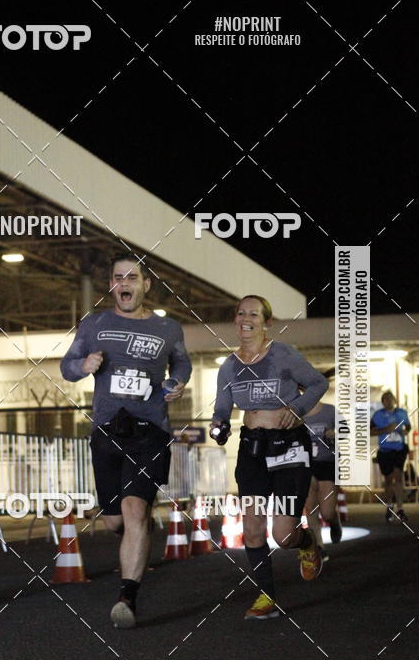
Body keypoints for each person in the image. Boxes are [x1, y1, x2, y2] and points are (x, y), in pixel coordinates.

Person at [60, 254, 192, 628]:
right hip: (107, 431)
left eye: (132, 277)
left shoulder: (168, 328)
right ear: (111, 285)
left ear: (145, 285)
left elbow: (182, 363)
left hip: (150, 431)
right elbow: (67, 366)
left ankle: (127, 598)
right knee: (115, 521)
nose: (125, 284)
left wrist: (177, 383)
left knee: (134, 512)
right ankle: (140, 529)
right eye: (118, 277)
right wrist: (83, 367)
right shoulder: (94, 324)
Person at [211, 295, 328, 620]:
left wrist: (297, 409)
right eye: (240, 313)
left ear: (267, 322)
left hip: (289, 446)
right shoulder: (229, 366)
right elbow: (223, 407)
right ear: (235, 320)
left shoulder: (283, 354)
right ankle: (266, 596)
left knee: (284, 535)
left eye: (253, 313)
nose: (245, 318)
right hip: (252, 448)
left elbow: (318, 383)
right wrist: (218, 424)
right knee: (251, 528)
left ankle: (305, 543)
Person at [303, 402, 343, 562]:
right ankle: (319, 546)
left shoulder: (330, 410)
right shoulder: (296, 411)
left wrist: (336, 432)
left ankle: (334, 521)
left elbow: (346, 430)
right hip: (305, 463)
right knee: (310, 507)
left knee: (327, 512)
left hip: (328, 462)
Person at [371, 391, 411, 522]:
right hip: (385, 451)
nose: (389, 401)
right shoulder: (378, 415)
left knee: (398, 476)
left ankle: (400, 509)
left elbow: (408, 428)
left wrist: (403, 431)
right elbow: (370, 431)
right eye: (386, 399)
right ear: (383, 402)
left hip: (399, 449)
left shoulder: (402, 413)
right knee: (388, 480)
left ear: (394, 400)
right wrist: (386, 430)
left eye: (390, 398)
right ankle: (389, 505)